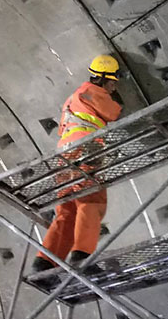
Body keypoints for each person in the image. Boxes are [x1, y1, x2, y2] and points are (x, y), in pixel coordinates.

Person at [32, 55, 122, 274]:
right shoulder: (92, 92)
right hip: (85, 149)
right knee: (91, 200)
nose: (113, 87)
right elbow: (113, 113)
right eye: (112, 82)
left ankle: (44, 263)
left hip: (63, 155)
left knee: (67, 210)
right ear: (103, 78)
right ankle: (82, 257)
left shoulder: (72, 99)